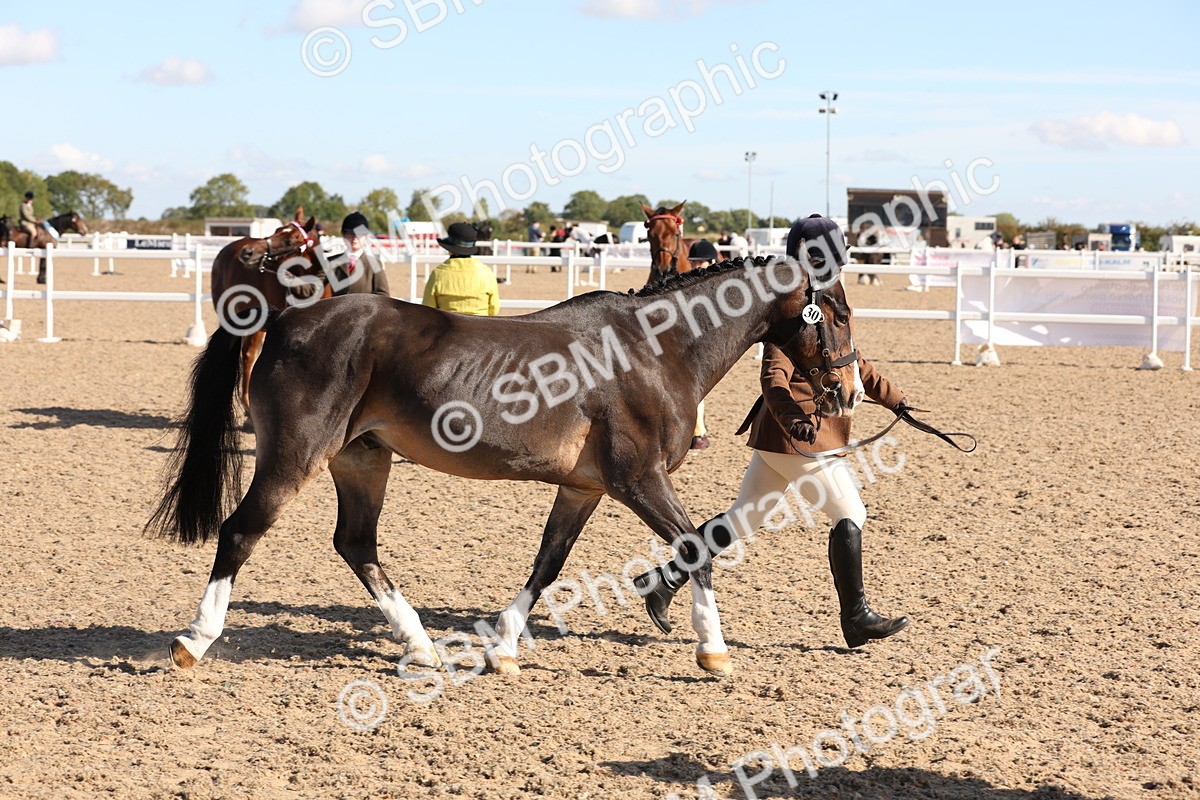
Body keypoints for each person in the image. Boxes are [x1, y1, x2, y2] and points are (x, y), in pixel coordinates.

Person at [634, 214, 913, 649]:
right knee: (850, 514)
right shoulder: (791, 311)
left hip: (786, 438)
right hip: (801, 437)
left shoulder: (830, 298)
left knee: (744, 518)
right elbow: (773, 378)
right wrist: (795, 421)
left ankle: (664, 580)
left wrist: (896, 400)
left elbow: (851, 360)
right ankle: (855, 617)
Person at [422, 221, 500, 316]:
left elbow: (428, 309)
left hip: (449, 328)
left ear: (450, 249)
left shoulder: (438, 274)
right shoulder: (486, 273)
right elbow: (494, 308)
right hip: (480, 327)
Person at [686, 240, 719, 450]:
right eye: (694, 262)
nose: (697, 266)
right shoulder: (686, 282)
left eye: (701, 262)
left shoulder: (716, 286)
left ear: (711, 262)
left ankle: (699, 433)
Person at [332, 212, 391, 297]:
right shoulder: (331, 262)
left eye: (359, 234)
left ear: (366, 236)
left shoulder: (374, 264)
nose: (355, 238)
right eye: (350, 234)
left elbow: (383, 295)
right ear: (343, 235)